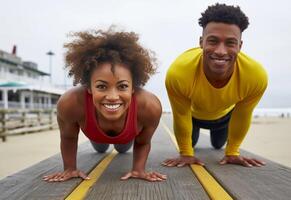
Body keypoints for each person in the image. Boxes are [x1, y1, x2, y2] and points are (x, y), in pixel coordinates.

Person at [43, 27, 167, 182]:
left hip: (127, 139)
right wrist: (70, 169)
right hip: (96, 136)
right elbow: (68, 137)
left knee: (122, 149)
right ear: (89, 87)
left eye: (122, 86)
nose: (113, 97)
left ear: (133, 87)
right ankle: (100, 143)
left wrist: (138, 169)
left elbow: (142, 142)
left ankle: (119, 145)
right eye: (102, 86)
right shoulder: (71, 103)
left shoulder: (150, 107)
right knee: (100, 148)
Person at [162, 3, 268, 168]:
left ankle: (218, 137)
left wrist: (232, 152)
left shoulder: (255, 76)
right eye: (213, 41)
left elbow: (242, 114)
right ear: (201, 42)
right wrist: (186, 153)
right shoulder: (179, 72)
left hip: (225, 118)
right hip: (193, 116)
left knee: (218, 145)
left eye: (230, 43)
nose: (220, 51)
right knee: (192, 144)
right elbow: (181, 114)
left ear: (240, 46)